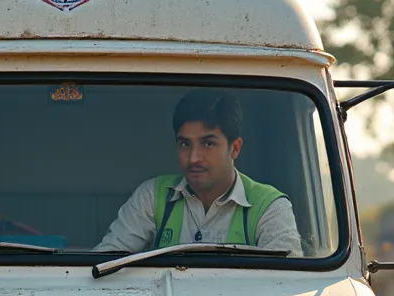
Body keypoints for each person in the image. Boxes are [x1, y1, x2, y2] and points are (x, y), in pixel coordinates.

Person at [95, 90, 302, 255]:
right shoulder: (152, 195)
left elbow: (286, 289)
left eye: (208, 143)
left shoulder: (270, 207)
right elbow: (107, 262)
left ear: (235, 148)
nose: (194, 157)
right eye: (185, 143)